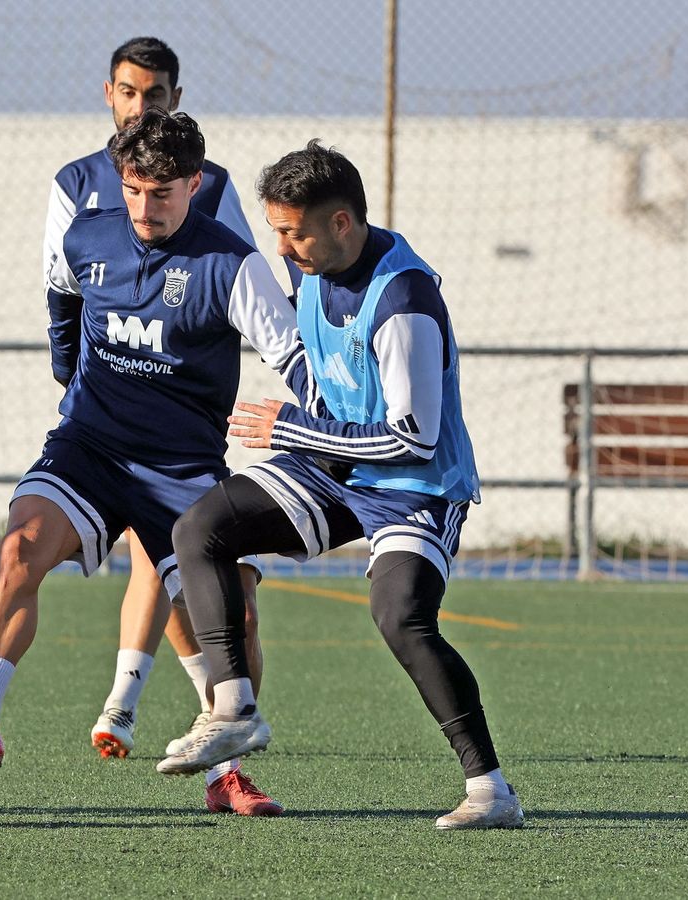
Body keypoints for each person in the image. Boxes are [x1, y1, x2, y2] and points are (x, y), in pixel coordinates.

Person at [156, 141, 525, 830]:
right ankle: (232, 709)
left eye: (294, 232)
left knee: (401, 617)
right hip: (335, 467)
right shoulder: (311, 268)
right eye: (277, 232)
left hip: (414, 483)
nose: (284, 248)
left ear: (342, 225)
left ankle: (491, 790)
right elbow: (321, 364)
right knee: (199, 529)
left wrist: (292, 427)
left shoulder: (404, 298)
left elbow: (411, 436)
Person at [0, 109, 306, 817]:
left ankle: (227, 772)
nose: (146, 207)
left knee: (229, 616)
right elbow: (62, 293)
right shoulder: (87, 236)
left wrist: (324, 430)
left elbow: (298, 362)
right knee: (20, 547)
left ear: (195, 183)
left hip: (181, 467)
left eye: (164, 193)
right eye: (135, 189)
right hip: (90, 447)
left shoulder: (231, 266)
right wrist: (65, 367)